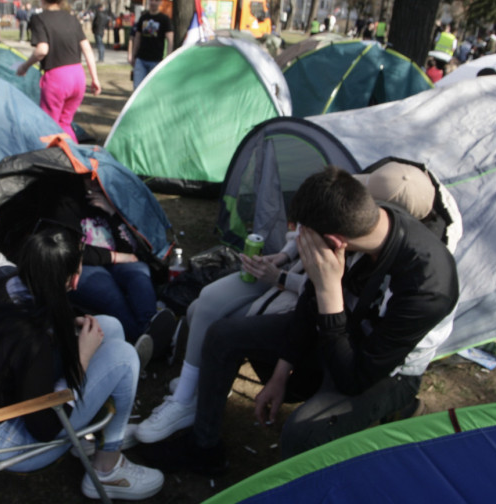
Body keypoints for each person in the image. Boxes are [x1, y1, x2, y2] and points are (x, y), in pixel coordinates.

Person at [141, 166, 459, 474]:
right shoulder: (362, 223)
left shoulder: (426, 288)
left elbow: (356, 377)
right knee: (224, 335)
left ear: (334, 242)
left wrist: (329, 290)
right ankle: (203, 447)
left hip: (386, 369)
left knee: (303, 432)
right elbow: (309, 303)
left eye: (304, 235)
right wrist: (281, 373)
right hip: (341, 330)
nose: (298, 240)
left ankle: (382, 419)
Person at [0, 225, 165, 501]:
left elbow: (24, 351)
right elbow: (44, 428)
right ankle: (107, 468)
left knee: (109, 326)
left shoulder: (6, 283)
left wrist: (67, 324)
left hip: (7, 400)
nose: (77, 282)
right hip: (3, 438)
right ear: (66, 280)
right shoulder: (29, 336)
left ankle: (103, 436)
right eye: (75, 273)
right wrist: (83, 358)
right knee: (123, 358)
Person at [52, 176, 176, 363]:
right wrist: (115, 257)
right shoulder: (65, 205)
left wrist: (112, 213)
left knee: (139, 275)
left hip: (118, 262)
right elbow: (72, 251)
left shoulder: (112, 199)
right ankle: (148, 339)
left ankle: (149, 334)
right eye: (89, 178)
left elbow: (129, 247)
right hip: (85, 266)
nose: (95, 183)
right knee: (112, 294)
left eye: (98, 178)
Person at [17, 0, 101, 140]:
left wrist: (24, 66)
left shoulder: (39, 19)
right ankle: (74, 159)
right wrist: (95, 78)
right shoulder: (72, 19)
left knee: (48, 127)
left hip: (57, 79)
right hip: (78, 77)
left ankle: (53, 162)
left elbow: (42, 50)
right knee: (65, 124)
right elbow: (87, 49)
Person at [128, 0, 173, 90]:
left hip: (156, 60)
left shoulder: (164, 19)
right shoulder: (143, 18)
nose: (153, 2)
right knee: (137, 89)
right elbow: (137, 38)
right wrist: (133, 55)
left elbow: (170, 39)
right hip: (141, 59)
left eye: (156, 0)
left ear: (160, 2)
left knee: (153, 89)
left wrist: (168, 58)